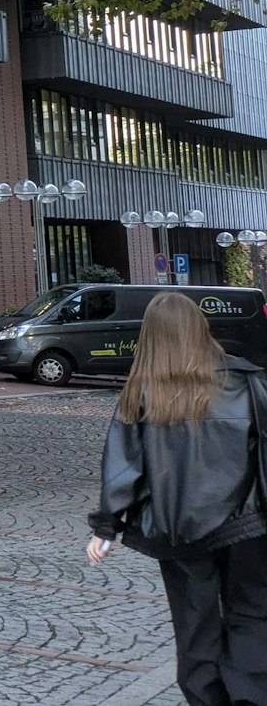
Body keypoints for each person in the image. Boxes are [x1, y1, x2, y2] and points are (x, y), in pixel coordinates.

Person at [87, 291, 267, 706]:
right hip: (249, 526)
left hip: (179, 531)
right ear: (200, 329)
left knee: (195, 626)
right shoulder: (245, 381)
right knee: (252, 617)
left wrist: (106, 527)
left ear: (149, 335)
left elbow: (123, 467)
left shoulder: (142, 393)